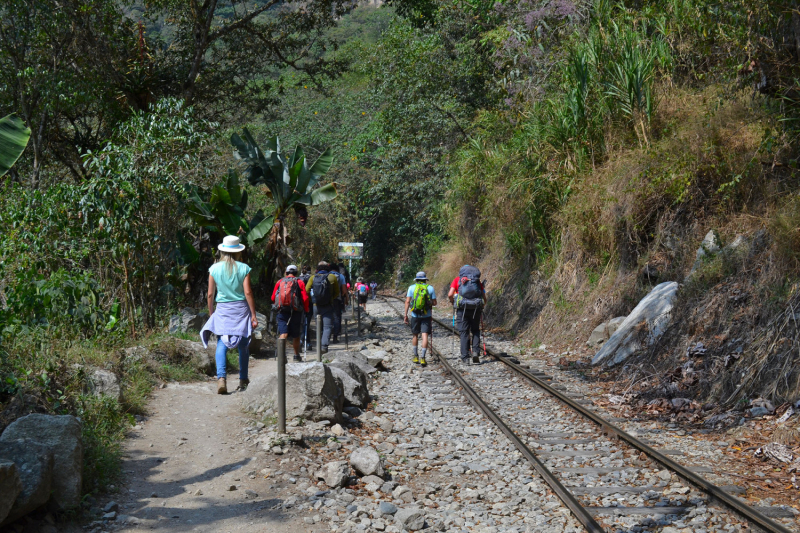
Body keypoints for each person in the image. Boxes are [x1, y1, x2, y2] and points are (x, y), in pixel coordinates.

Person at [200, 235, 258, 394]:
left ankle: (221, 379)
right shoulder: (244, 268)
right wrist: (253, 314)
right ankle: (243, 379)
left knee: (221, 343)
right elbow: (248, 292)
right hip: (240, 310)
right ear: (238, 251)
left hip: (223, 310)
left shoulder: (214, 268)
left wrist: (211, 312)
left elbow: (210, 294)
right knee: (243, 344)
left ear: (223, 251)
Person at [447, 265, 486, 364]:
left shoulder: (457, 280)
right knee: (475, 330)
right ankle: (475, 352)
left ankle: (465, 357)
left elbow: (450, 294)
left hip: (462, 309)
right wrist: (482, 305)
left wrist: (453, 302)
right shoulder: (476, 281)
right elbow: (484, 296)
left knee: (464, 332)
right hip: (476, 309)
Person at [271, 265, 311, 361]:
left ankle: (282, 356)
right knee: (296, 335)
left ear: (286, 273)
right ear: (296, 273)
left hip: (282, 311)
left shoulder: (280, 282)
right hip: (295, 311)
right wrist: (306, 309)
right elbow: (305, 298)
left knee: (283, 333)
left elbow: (273, 298)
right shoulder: (299, 282)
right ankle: (296, 356)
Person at [404, 271, 437, 366]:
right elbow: (435, 303)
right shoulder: (430, 288)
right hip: (426, 315)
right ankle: (423, 358)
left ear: (416, 279)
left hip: (415, 315)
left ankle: (415, 356)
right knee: (424, 335)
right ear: (425, 279)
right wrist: (429, 302)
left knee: (415, 335)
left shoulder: (411, 288)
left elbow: (407, 301)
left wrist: (405, 315)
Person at [306, 261, 340, 354]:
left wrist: (312, 300)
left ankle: (318, 345)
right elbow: (337, 292)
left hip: (316, 305)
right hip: (328, 305)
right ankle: (324, 347)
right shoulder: (332, 277)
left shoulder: (313, 278)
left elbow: (307, 290)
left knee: (318, 326)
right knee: (327, 327)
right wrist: (331, 299)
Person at [332, 263, 348, 344]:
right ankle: (335, 336)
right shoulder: (341, 276)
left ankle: (324, 337)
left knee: (327, 317)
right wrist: (345, 298)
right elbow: (344, 290)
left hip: (325, 301)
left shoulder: (325, 275)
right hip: (337, 300)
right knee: (337, 317)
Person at [299, 265, 314, 349]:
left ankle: (307, 342)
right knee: (306, 322)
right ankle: (303, 341)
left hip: (298, 303)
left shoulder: (298, 279)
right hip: (308, 302)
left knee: (302, 323)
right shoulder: (311, 278)